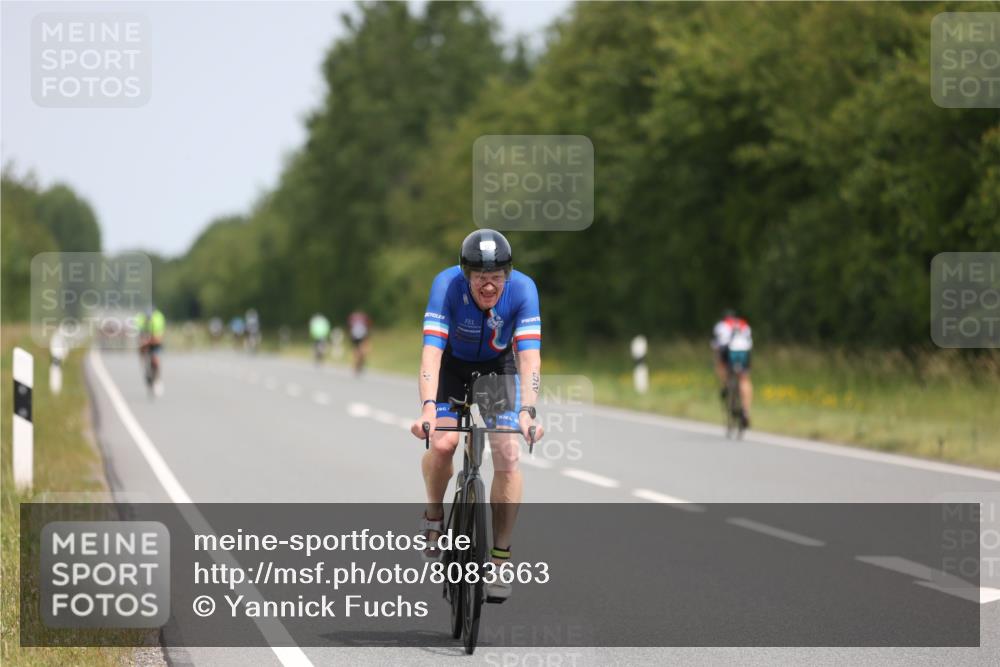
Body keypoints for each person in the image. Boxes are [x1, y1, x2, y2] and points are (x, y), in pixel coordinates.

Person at [409, 229, 544, 601]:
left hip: (497, 369)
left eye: (497, 277)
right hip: (452, 366)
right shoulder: (446, 286)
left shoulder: (524, 291)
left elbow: (529, 359)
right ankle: (434, 516)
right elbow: (432, 353)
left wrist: (528, 412)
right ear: (465, 274)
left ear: (508, 275)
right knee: (443, 443)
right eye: (480, 277)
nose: (488, 285)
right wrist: (427, 410)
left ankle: (500, 558)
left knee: (508, 453)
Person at [711, 308, 753, 428]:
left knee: (720, 362)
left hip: (728, 349)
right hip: (744, 350)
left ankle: (725, 386)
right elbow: (750, 342)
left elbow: (715, 346)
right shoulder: (744, 324)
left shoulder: (721, 325)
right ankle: (745, 411)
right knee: (744, 379)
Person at [135, 306, 166, 395]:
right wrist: (142, 344)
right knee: (141, 350)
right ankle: (145, 366)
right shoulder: (140, 319)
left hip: (155, 339)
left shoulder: (158, 319)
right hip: (145, 337)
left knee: (155, 360)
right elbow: (139, 335)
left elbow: (158, 338)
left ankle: (157, 378)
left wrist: (149, 341)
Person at [347, 309, 372, 375]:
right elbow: (368, 326)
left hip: (354, 335)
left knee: (356, 350)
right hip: (361, 335)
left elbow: (349, 326)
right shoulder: (364, 318)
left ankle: (356, 365)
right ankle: (358, 364)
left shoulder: (353, 317)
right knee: (361, 351)